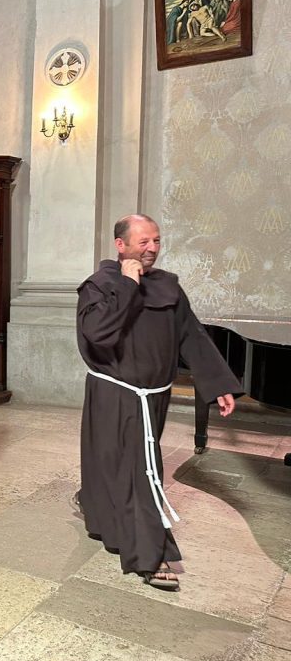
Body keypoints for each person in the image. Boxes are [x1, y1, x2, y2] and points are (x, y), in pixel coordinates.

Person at [76, 214, 240, 591]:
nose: (152, 249)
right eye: (143, 242)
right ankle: (151, 554)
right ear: (120, 246)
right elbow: (98, 334)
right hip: (116, 393)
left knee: (122, 464)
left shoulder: (167, 286)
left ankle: (102, 515)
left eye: (157, 241)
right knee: (140, 470)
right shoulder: (100, 285)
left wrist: (217, 384)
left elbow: (192, 336)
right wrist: (128, 285)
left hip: (154, 396)